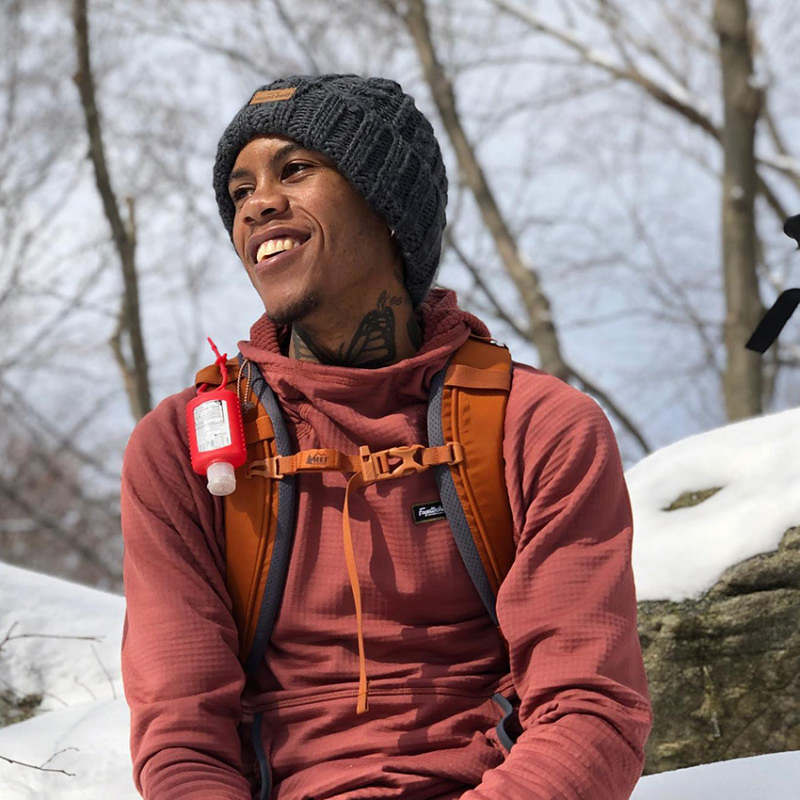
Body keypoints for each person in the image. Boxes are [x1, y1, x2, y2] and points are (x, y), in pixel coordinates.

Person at [121, 74, 652, 800]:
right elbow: (182, 737)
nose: (258, 206)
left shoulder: (538, 427)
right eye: (240, 191)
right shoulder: (179, 449)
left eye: (296, 169)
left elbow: (590, 708)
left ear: (388, 204)